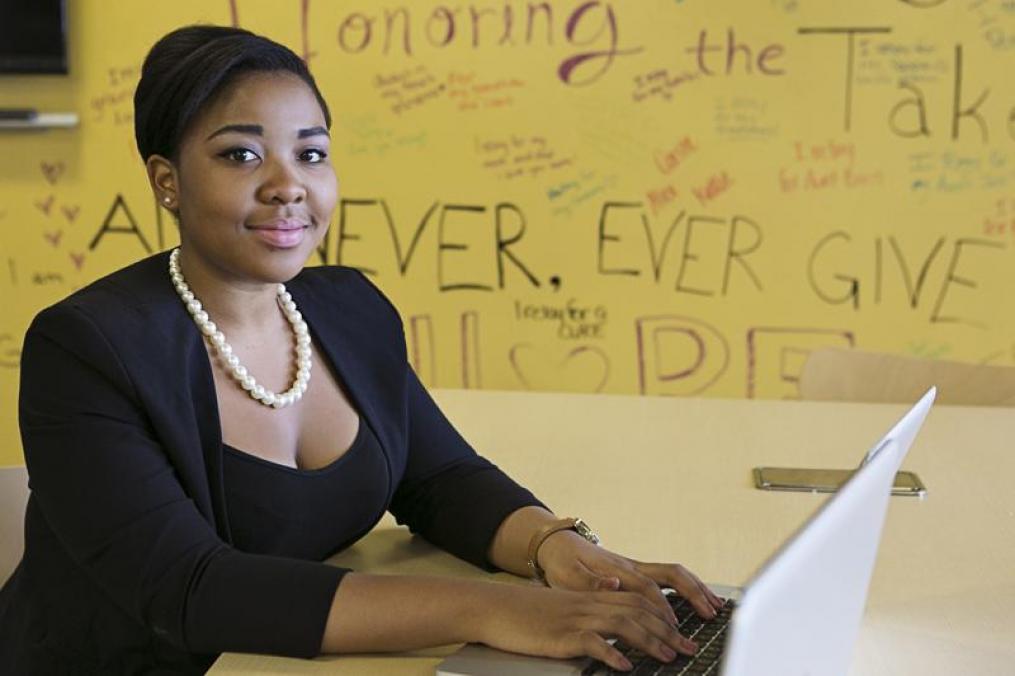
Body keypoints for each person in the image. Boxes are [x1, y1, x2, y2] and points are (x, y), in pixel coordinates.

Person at [0, 25, 723, 674]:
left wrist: (555, 549)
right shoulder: (87, 350)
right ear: (167, 181)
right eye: (241, 154)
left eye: (310, 153)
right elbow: (189, 588)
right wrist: (490, 611)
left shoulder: (347, 309)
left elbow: (437, 476)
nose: (288, 185)